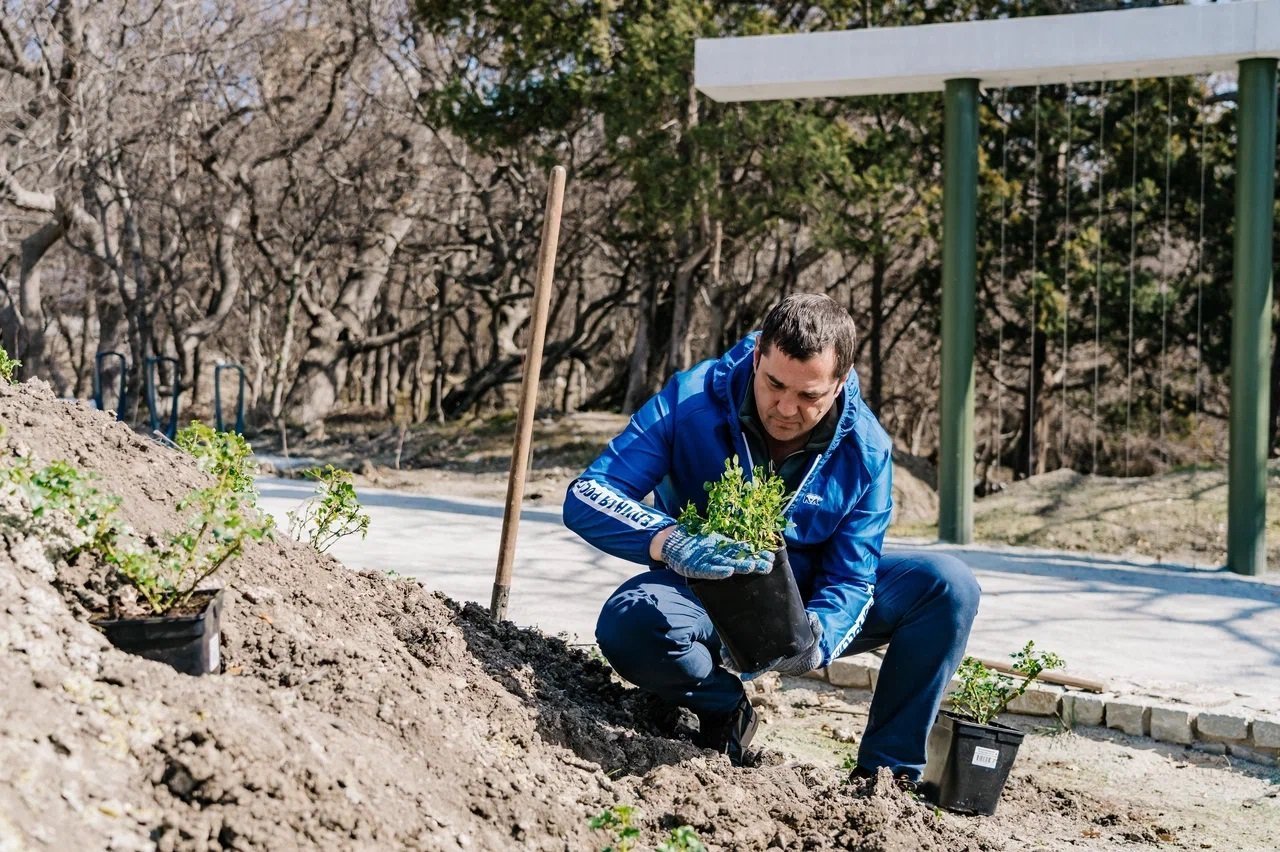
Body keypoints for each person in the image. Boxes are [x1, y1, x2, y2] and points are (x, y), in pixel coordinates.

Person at [563, 293, 979, 781]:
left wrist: (819, 638)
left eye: (809, 396)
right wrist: (669, 539)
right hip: (705, 589)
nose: (785, 408)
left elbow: (852, 578)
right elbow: (589, 492)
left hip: (804, 603)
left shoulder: (866, 450)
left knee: (947, 584)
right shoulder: (693, 398)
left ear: (839, 383)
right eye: (774, 384)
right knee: (630, 623)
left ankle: (883, 777)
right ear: (758, 354)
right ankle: (723, 708)